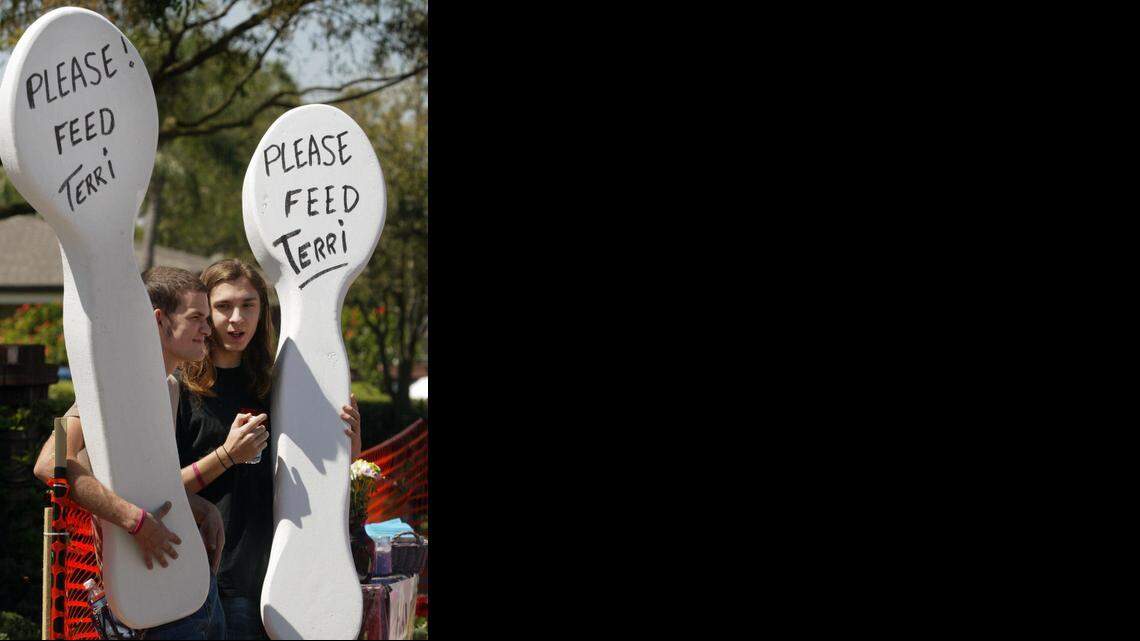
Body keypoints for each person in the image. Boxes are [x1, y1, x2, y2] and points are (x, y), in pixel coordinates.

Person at [33, 266, 228, 639]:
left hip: (187, 586)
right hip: (143, 598)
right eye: (196, 318)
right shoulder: (116, 380)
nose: (209, 328)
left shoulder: (169, 386)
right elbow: (50, 461)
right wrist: (134, 522)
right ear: (159, 320)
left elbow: (148, 480)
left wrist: (199, 507)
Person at [177, 258, 362, 640]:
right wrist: (227, 455)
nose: (236, 319)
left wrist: (350, 442)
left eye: (248, 305)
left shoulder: (276, 385)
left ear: (263, 311)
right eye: (223, 306)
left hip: (275, 578)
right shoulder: (178, 389)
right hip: (199, 581)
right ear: (205, 313)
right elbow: (162, 489)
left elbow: (319, 474)